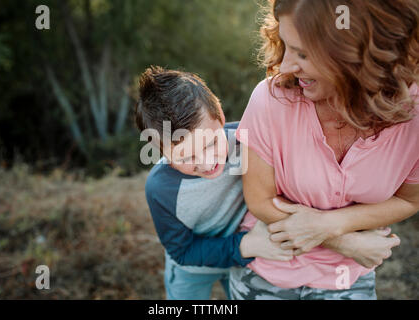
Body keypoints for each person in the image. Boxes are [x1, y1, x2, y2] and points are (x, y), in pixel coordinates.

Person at [135, 66, 402, 300]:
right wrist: (245, 246)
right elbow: (183, 251)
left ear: (221, 117)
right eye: (186, 156)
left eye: (211, 143)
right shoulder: (161, 190)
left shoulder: (248, 140)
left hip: (251, 256)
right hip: (199, 266)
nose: (206, 162)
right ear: (160, 151)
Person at [230, 0, 418, 300]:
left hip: (348, 278)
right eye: (287, 45)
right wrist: (343, 242)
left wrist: (331, 224)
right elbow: (260, 200)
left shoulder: (414, 117)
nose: (287, 66)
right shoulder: (270, 99)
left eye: (303, 53)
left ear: (358, 57)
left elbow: (409, 200)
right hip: (271, 264)